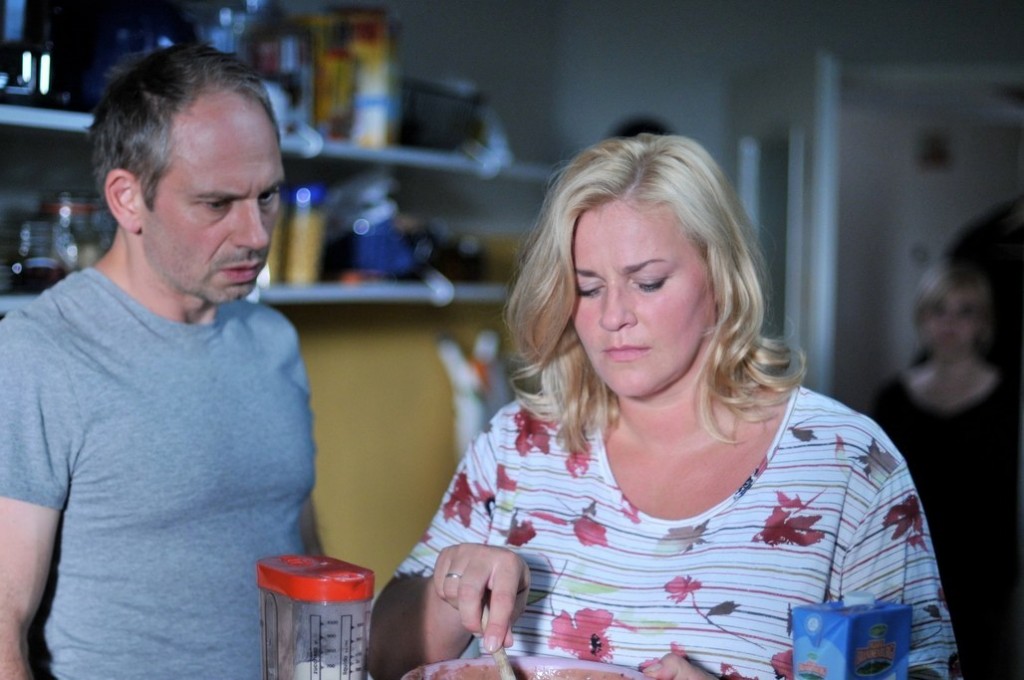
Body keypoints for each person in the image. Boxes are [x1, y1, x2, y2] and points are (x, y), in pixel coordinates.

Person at [368, 134, 958, 680]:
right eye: (588, 288)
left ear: (721, 277)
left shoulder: (847, 464)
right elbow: (380, 656)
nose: (612, 316)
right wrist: (451, 590)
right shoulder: (517, 446)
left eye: (647, 282)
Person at [0, 43, 322, 679]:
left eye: (267, 196)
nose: (257, 234)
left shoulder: (273, 340)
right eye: (217, 204)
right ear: (127, 199)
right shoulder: (39, 352)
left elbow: (298, 544)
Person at [874, 260, 1019, 680]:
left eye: (965, 311)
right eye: (940, 309)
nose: (950, 322)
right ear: (922, 317)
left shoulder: (1011, 398)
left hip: (986, 576)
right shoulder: (893, 399)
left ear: (984, 322)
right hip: (907, 569)